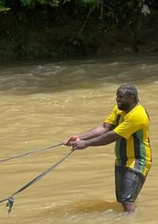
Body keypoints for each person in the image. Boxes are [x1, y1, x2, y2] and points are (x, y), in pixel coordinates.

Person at [65, 84, 152, 213]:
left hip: (137, 161)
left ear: (132, 98)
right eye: (117, 96)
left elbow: (113, 135)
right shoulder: (119, 110)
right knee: (123, 199)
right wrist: (79, 138)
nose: (117, 100)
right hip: (122, 160)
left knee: (128, 201)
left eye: (121, 97)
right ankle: (128, 223)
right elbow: (105, 127)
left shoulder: (138, 115)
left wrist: (86, 144)